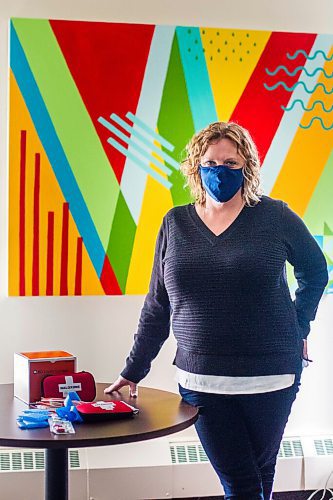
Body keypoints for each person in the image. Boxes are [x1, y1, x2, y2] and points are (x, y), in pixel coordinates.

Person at [104, 121, 328, 500]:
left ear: (247, 167)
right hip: (202, 380)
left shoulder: (275, 216)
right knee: (242, 484)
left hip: (272, 375)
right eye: (210, 162)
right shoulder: (175, 223)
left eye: (230, 162)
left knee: (258, 476)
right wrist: (133, 370)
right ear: (196, 167)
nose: (219, 171)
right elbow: (158, 304)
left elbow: (315, 270)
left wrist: (299, 326)